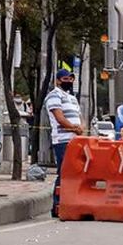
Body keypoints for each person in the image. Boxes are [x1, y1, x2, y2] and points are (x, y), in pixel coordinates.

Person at [45, 69, 83, 218]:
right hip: (63, 141)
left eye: (71, 79)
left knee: (76, 173)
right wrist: (74, 128)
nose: (69, 81)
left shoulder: (72, 98)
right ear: (59, 81)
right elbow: (60, 119)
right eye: (65, 78)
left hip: (76, 141)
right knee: (64, 173)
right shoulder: (54, 96)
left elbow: (80, 117)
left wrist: (80, 128)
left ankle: (71, 203)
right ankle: (57, 205)